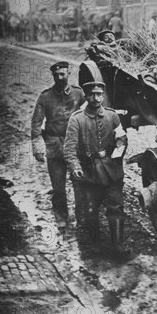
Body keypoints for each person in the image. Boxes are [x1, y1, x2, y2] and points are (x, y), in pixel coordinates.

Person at [63, 81, 130, 260]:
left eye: (100, 94)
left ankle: (117, 245)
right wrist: (75, 167)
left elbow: (122, 137)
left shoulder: (112, 116)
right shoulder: (77, 119)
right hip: (89, 173)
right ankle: (95, 244)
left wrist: (119, 148)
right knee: (90, 211)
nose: (96, 98)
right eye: (92, 94)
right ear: (86, 96)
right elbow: (69, 148)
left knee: (116, 206)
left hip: (111, 170)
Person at [31, 61, 86, 229]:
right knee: (58, 187)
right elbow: (36, 124)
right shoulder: (45, 97)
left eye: (62, 74)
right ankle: (61, 217)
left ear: (68, 73)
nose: (59, 77)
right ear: (53, 76)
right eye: (56, 75)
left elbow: (89, 113)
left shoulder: (78, 93)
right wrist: (38, 147)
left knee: (80, 185)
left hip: (75, 146)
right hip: (54, 145)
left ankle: (82, 218)